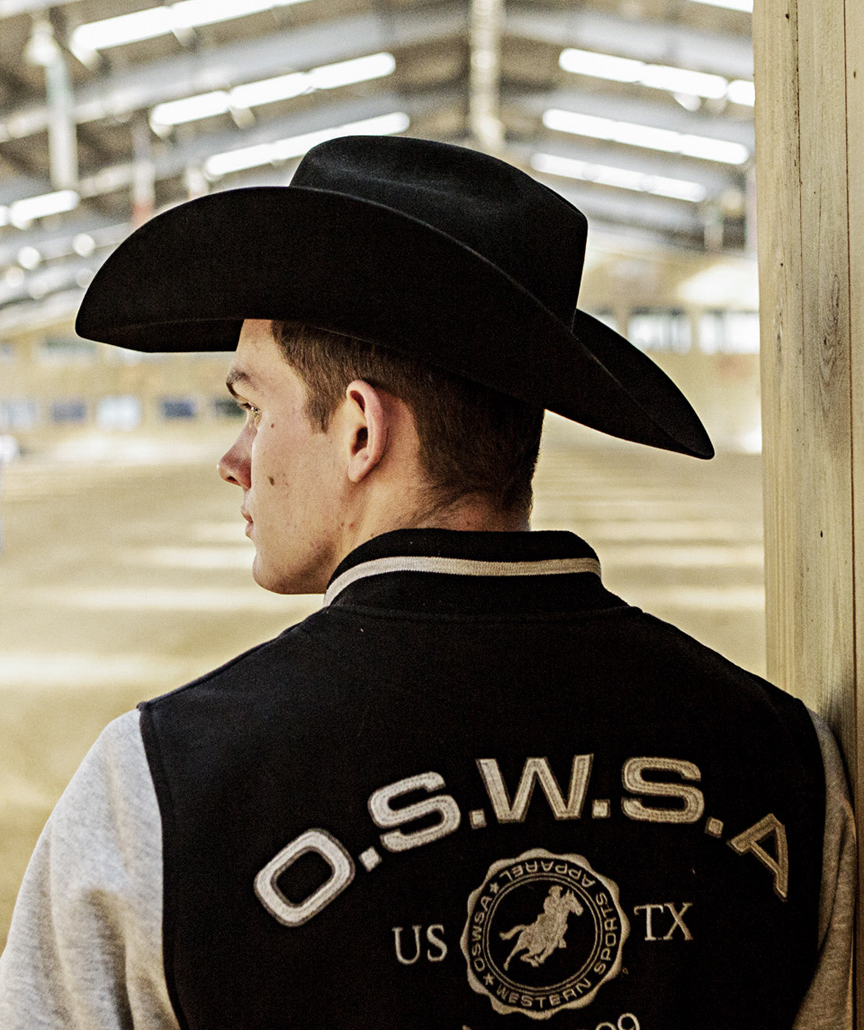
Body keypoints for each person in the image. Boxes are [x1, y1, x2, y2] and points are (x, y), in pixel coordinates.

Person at [0, 135, 854, 1029]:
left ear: (361, 431)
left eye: (253, 408)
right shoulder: (791, 766)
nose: (235, 458)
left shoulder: (161, 794)